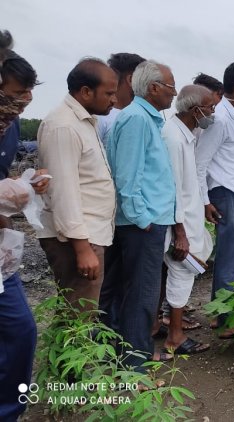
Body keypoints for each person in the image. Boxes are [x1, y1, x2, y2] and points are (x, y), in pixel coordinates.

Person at [100, 60, 177, 370]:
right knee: (142, 294)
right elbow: (127, 178)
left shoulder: (145, 119)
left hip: (141, 221)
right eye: (171, 87)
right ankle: (135, 363)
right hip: (140, 224)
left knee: (128, 290)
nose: (174, 93)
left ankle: (120, 355)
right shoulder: (136, 120)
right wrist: (143, 219)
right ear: (154, 88)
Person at [37, 58, 118, 313]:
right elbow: (63, 191)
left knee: (78, 313)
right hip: (76, 239)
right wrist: (83, 249)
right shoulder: (63, 126)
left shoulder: (83, 121)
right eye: (109, 93)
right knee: (79, 316)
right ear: (85, 91)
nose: (114, 100)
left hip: (88, 233)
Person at [0, 30, 50, 421]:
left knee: (21, 330)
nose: (17, 109)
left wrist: (30, 184)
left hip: (2, 249)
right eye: (13, 99)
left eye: (23, 101)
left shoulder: (12, 126)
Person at [195, 60, 234, 330]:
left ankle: (220, 312)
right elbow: (200, 162)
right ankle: (225, 319)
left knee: (233, 256)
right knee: (230, 258)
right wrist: (205, 201)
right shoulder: (220, 119)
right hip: (224, 192)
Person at [160, 85, 214, 354]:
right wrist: (179, 232)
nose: (212, 113)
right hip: (179, 224)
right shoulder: (173, 137)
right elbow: (172, 188)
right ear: (196, 111)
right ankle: (175, 336)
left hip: (188, 218)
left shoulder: (187, 134)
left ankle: (168, 329)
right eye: (210, 108)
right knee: (181, 274)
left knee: (181, 275)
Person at [97, 53, 145, 142]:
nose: (147, 85)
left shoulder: (139, 116)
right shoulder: (100, 117)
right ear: (131, 80)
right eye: (144, 79)